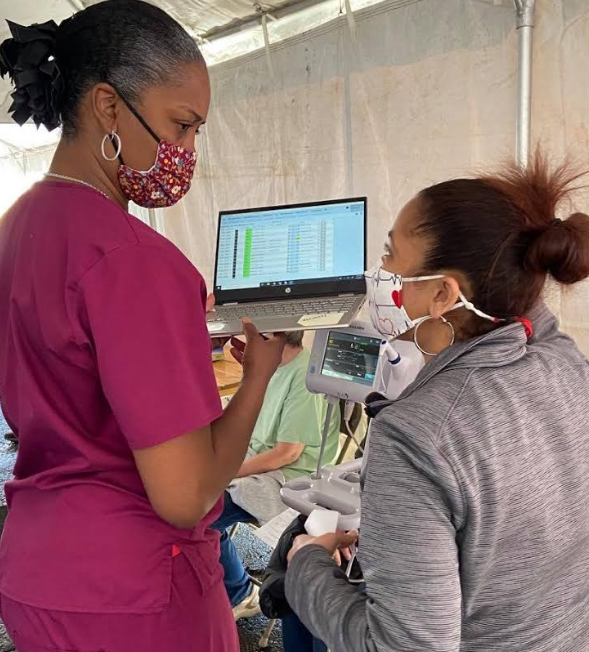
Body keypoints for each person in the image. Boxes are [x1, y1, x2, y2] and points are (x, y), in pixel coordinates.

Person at [0, 3, 285, 651]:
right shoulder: (137, 260)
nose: (185, 152)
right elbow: (184, 497)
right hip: (133, 590)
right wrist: (258, 379)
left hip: (36, 567)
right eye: (179, 126)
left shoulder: (15, 228)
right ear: (107, 106)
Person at [284, 153, 589, 651]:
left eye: (389, 255)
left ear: (444, 295)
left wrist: (306, 567)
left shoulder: (414, 436)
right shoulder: (564, 360)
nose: (377, 273)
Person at [213, 330, 341, 620]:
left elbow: (287, 454)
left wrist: (225, 471)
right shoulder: (271, 367)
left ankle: (240, 593)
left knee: (200, 515)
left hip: (286, 477)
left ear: (273, 333)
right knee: (187, 487)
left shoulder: (304, 378)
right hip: (255, 458)